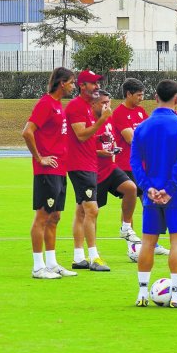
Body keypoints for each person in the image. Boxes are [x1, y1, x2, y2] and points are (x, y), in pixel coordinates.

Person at [130, 80, 177, 308]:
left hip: (151, 195)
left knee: (148, 242)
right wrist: (169, 190)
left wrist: (147, 187)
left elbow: (134, 162)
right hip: (176, 195)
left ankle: (142, 293)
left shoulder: (142, 127)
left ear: (155, 97)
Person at [21, 68, 76, 279]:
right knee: (43, 216)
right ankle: (38, 267)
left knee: (55, 216)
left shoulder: (57, 105)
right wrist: (39, 157)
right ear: (62, 83)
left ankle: (52, 263)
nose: (74, 86)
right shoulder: (45, 104)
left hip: (60, 169)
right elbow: (27, 131)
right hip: (47, 170)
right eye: (71, 82)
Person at [65, 69, 113, 273]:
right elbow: (82, 135)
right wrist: (102, 121)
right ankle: (94, 257)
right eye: (93, 83)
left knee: (81, 211)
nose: (97, 87)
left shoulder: (86, 107)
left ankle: (78, 257)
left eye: (97, 83)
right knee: (92, 210)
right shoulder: (76, 106)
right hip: (80, 165)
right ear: (82, 85)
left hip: (87, 163)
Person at [92, 90, 146, 256]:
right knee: (91, 211)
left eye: (109, 102)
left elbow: (108, 141)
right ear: (93, 104)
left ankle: (126, 228)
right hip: (94, 170)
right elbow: (83, 146)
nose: (107, 106)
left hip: (110, 167)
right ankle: (91, 253)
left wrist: (111, 149)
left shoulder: (109, 119)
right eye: (103, 103)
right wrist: (101, 151)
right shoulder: (88, 120)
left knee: (131, 189)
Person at [112, 78, 148, 242]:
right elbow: (130, 139)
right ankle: (132, 247)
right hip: (127, 165)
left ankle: (150, 242)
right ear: (128, 94)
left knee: (148, 204)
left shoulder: (141, 112)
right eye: (139, 95)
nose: (142, 98)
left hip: (143, 165)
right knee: (130, 206)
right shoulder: (119, 113)